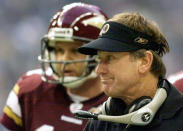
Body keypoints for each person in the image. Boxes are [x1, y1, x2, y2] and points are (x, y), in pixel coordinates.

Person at [77, 12, 183, 131]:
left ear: (144, 62)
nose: (99, 70)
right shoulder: (100, 122)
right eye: (99, 59)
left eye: (110, 58)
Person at [0, 2, 108, 131]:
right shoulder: (30, 90)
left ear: (101, 54)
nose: (64, 59)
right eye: (58, 50)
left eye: (75, 50)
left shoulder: (122, 105)